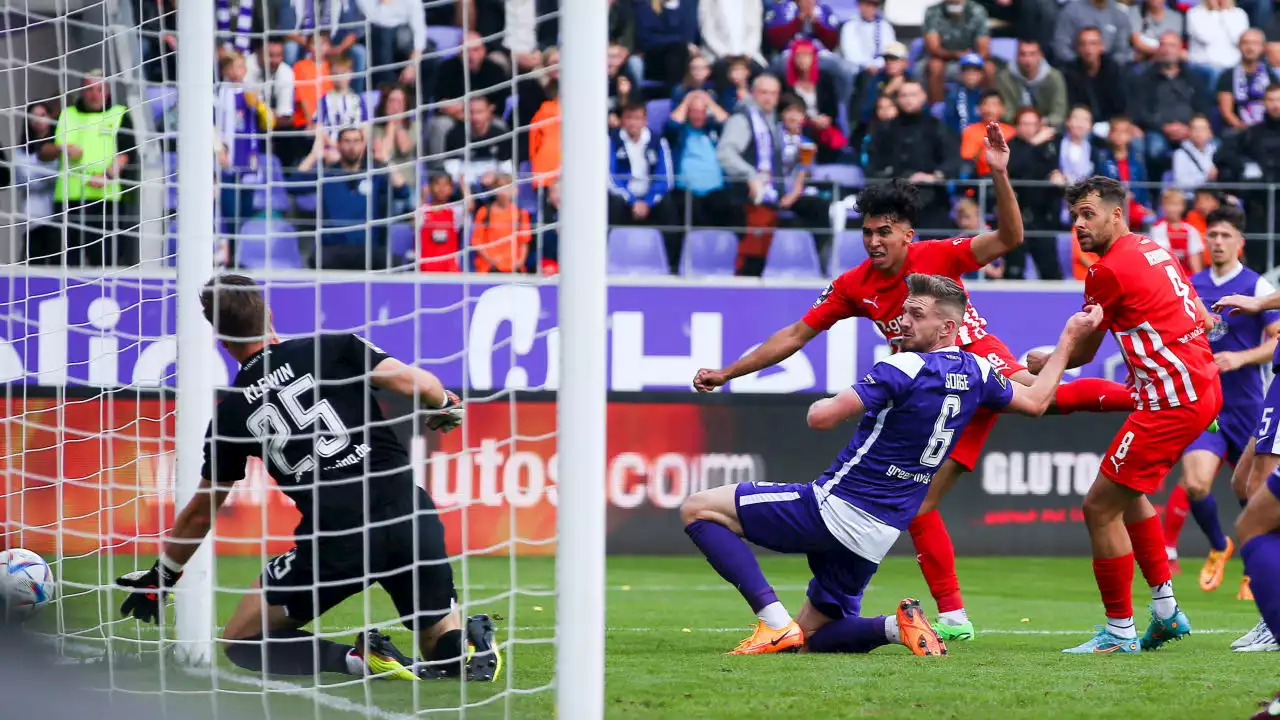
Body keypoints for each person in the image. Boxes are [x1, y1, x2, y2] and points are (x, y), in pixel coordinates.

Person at [694, 134, 1134, 642]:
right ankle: (946, 617)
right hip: (938, 389)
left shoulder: (938, 255)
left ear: (908, 234)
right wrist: (730, 371)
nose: (875, 241)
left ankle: (1147, 396)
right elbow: (795, 334)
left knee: (1036, 392)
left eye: (885, 232)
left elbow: (1010, 238)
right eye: (867, 233)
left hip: (975, 366)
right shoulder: (853, 285)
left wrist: (998, 173)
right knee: (922, 503)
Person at [681, 273, 1098, 655]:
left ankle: (773, 624)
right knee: (809, 640)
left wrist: (824, 401)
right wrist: (1067, 340)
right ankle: (895, 629)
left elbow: (820, 419)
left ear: (949, 328)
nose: (904, 323)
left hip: (833, 507)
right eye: (903, 313)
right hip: (878, 532)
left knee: (698, 508)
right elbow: (1039, 400)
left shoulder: (903, 366)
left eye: (917, 315)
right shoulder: (979, 371)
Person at [115, 274, 499, 682]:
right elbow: (413, 381)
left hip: (337, 539)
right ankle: (469, 647)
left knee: (243, 640)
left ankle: (360, 658)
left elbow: (201, 510)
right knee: (440, 645)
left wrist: (164, 575)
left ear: (221, 342)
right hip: (407, 514)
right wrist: (443, 403)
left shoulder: (230, 415)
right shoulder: (334, 347)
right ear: (270, 316)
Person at [1032, 175, 1219, 654]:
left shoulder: (1106, 271)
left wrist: (1050, 358)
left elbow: (1084, 350)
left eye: (1088, 214)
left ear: (1117, 214)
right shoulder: (1152, 247)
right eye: (1074, 216)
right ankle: (1166, 612)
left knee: (1098, 506)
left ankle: (1118, 633)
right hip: (1192, 384)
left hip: (1171, 396)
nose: (1078, 225)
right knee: (1128, 495)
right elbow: (1196, 311)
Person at [1160, 205, 1280, 594]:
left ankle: (1256, 568)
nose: (1217, 242)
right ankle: (1218, 545)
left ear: (1240, 243)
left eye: (1225, 235)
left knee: (1251, 489)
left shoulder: (1257, 286)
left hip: (1249, 405)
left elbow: (1276, 339)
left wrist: (1241, 357)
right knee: (1195, 483)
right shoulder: (1191, 284)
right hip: (1205, 404)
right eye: (1212, 235)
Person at [51, 70, 138, 266]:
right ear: (83, 91)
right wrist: (68, 149)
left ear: (107, 91)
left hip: (106, 198)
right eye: (90, 89)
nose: (94, 94)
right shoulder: (68, 115)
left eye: (99, 89)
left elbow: (126, 152)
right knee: (68, 259)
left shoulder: (118, 114)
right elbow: (60, 143)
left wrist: (107, 175)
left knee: (106, 258)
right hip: (70, 198)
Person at [292, 127, 410, 270]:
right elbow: (293, 185)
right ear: (339, 144)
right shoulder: (327, 174)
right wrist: (314, 155)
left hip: (368, 250)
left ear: (363, 144)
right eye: (347, 141)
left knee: (393, 262)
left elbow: (403, 191)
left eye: (356, 141)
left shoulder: (375, 174)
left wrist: (386, 160)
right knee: (317, 258)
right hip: (334, 250)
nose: (352, 146)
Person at [1131, 32, 1211, 177]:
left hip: (1191, 130)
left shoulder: (1194, 77)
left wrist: (1190, 129)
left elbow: (1203, 108)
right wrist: (1163, 127)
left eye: (1172, 45)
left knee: (1214, 145)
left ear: (1181, 50)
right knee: (1154, 148)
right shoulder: (1144, 77)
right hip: (1157, 130)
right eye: (1163, 45)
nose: (1167, 50)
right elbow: (1141, 111)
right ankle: (1156, 195)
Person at [919, 0, 991, 103]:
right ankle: (937, 109)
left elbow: (984, 47)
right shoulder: (933, 11)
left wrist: (971, 60)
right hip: (943, 57)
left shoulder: (977, 10)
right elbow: (933, 47)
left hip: (972, 57)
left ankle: (988, 105)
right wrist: (956, 54)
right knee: (935, 66)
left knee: (989, 68)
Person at [1063, 27, 1128, 132]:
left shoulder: (1113, 70)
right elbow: (1071, 105)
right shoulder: (1070, 72)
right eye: (1083, 44)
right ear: (1077, 48)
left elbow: (1121, 104)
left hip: (1112, 124)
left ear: (1101, 46)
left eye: (1093, 44)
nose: (1088, 49)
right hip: (1082, 125)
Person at [995, 39, 1067, 131]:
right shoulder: (1005, 78)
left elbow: (1059, 112)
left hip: (1046, 126)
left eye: (1032, 54)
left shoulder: (1054, 77)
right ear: (1016, 56)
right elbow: (1004, 110)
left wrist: (1040, 123)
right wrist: (1022, 124)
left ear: (1040, 56)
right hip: (1013, 126)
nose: (1027, 59)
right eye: (1023, 54)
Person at [1216, 29, 1275, 131]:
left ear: (1263, 47)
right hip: (1238, 131)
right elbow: (1226, 112)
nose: (1250, 47)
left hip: (1267, 129)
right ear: (1239, 46)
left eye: (1255, 43)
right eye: (1245, 43)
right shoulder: (1228, 75)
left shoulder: (1270, 75)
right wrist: (1245, 130)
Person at [1053, 0, 1132, 65]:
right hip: (1075, 71)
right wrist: (1078, 65)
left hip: (1110, 73)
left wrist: (1108, 68)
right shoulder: (1071, 11)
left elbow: (1122, 51)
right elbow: (1061, 47)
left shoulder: (1120, 14)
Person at [1149, 188, 1205, 275]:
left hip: (1188, 278)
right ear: (1162, 206)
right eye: (1168, 204)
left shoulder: (1191, 230)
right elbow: (1159, 261)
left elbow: (1196, 266)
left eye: (1175, 204)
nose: (1171, 209)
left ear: (1183, 206)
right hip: (1165, 277)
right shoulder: (1157, 229)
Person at [958, 90, 1013, 178]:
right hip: (980, 178)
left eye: (994, 105)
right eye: (985, 104)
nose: (989, 108)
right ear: (979, 108)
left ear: (1002, 109)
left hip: (1008, 176)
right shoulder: (970, 131)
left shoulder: (1012, 132)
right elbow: (968, 159)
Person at [1187, 0, 1250, 74]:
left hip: (1233, 66)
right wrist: (1215, 12)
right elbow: (1206, 38)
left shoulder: (1239, 14)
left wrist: (1225, 13)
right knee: (1216, 72)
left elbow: (1238, 40)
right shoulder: (1195, 13)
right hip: (1204, 65)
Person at [417, 173, 463, 273]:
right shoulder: (424, 210)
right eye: (437, 184)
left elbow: (470, 206)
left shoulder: (455, 211)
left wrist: (463, 183)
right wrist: (422, 198)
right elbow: (414, 224)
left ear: (451, 188)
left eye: (446, 185)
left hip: (450, 271)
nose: (441, 188)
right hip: (427, 270)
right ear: (430, 187)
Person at [838, 0, 897, 76]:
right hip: (857, 68)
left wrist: (878, 64)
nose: (868, 8)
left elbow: (890, 50)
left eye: (872, 5)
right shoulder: (850, 26)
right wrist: (867, 65)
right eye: (865, 4)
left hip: (881, 67)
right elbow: (850, 52)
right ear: (859, 5)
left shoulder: (885, 26)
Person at [1171, 115, 1219, 194]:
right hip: (1189, 197)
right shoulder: (1180, 154)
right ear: (1189, 132)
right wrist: (1205, 178)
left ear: (1210, 132)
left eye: (1202, 129)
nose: (1198, 133)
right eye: (1195, 129)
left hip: (1212, 196)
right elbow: (1180, 182)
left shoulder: (1216, 152)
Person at [943, 53, 988, 136]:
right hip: (958, 139)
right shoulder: (953, 95)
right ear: (960, 74)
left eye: (975, 70)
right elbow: (949, 122)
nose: (971, 74)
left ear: (982, 74)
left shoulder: (985, 95)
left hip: (982, 140)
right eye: (967, 70)